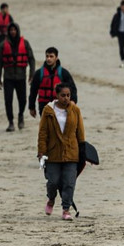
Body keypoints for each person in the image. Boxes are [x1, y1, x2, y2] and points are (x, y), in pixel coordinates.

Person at [37, 83, 85, 221]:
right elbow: (43, 133)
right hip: (53, 154)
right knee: (53, 182)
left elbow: (80, 133)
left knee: (69, 183)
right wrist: (41, 152)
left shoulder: (75, 110)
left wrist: (83, 152)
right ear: (57, 96)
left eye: (68, 95)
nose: (66, 98)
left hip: (71, 153)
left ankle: (66, 209)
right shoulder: (48, 111)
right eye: (63, 95)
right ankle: (51, 199)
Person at [0, 22, 36, 132]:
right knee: (8, 100)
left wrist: (32, 74)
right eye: (11, 30)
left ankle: (21, 115)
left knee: (22, 100)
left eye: (15, 30)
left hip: (21, 77)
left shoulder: (25, 44)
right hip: (8, 78)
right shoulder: (3, 45)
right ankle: (11, 122)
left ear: (18, 31)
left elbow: (31, 59)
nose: (13, 32)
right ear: (8, 32)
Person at [29, 47, 78, 117]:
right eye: (47, 56)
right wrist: (31, 107)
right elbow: (33, 91)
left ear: (56, 58)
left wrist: (73, 101)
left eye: (51, 56)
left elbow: (72, 88)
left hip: (60, 104)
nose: (48, 58)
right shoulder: (39, 73)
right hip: (44, 105)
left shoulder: (63, 73)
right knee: (47, 127)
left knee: (59, 126)